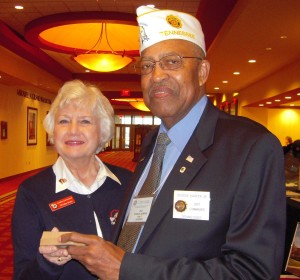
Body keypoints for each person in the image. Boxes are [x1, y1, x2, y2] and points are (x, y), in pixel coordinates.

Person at [57, 6, 286, 280]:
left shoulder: (250, 148)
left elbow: (253, 272)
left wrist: (128, 270)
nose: (156, 76)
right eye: (147, 66)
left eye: (172, 62)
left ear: (202, 71)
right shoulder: (154, 142)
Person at [12, 80, 133, 279]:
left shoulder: (128, 182)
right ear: (53, 131)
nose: (73, 130)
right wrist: (48, 263)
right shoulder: (32, 192)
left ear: (102, 131)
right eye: (64, 121)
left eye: (85, 121)